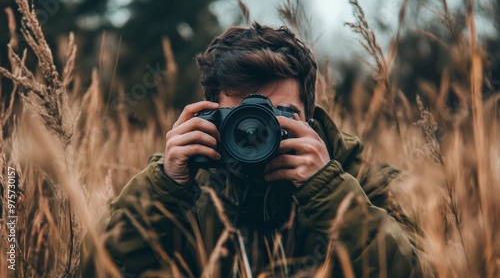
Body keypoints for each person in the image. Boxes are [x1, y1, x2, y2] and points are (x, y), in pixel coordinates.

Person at [82, 23, 430, 277]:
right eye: (240, 117)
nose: (257, 132)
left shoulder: (367, 183)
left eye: (280, 115)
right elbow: (101, 271)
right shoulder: (185, 189)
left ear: (310, 115)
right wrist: (164, 187)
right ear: (210, 115)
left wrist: (330, 193)